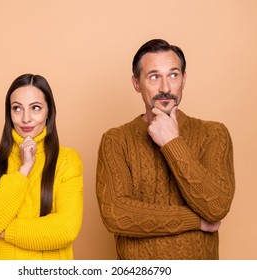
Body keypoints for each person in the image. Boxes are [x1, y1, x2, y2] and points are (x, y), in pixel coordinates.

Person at [96, 39, 235, 259]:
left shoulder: (214, 133)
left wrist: (172, 142)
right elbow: (116, 215)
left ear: (184, 79)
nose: (165, 88)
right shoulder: (116, 140)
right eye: (154, 77)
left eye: (173, 75)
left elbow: (216, 207)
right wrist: (196, 221)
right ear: (136, 83)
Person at [0, 73, 83, 260]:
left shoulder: (68, 160)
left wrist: (3, 230)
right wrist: (24, 170)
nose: (26, 119)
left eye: (35, 108)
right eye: (17, 109)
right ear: (9, 113)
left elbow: (66, 229)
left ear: (49, 112)